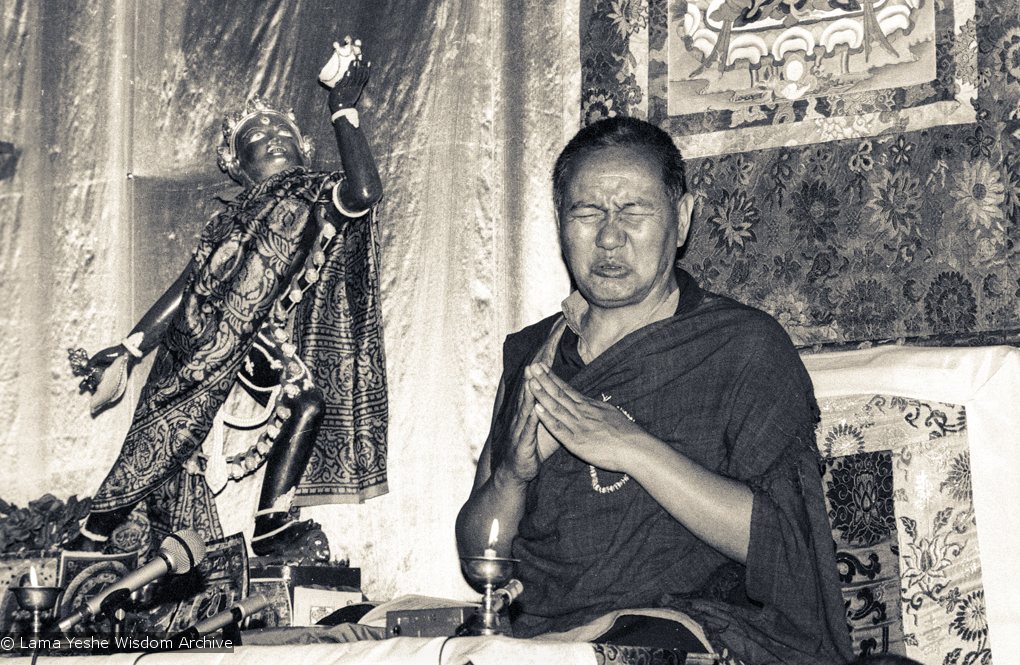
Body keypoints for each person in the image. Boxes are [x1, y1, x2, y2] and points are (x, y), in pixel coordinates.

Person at [455, 116, 854, 665]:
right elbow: (480, 556)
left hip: (680, 633)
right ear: (560, 222)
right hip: (535, 638)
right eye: (587, 213)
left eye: (633, 212)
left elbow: (788, 546)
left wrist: (632, 448)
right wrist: (512, 477)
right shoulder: (535, 355)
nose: (609, 237)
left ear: (682, 218)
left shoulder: (741, 347)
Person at [67, 38, 387, 558]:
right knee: (164, 435)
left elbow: (366, 191)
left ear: (303, 149)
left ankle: (271, 523)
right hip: (199, 337)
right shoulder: (225, 222)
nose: (272, 138)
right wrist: (130, 348)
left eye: (282, 132)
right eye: (256, 136)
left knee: (307, 402)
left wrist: (342, 109)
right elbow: (188, 287)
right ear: (236, 165)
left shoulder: (315, 192)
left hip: (256, 332)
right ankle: (92, 537)